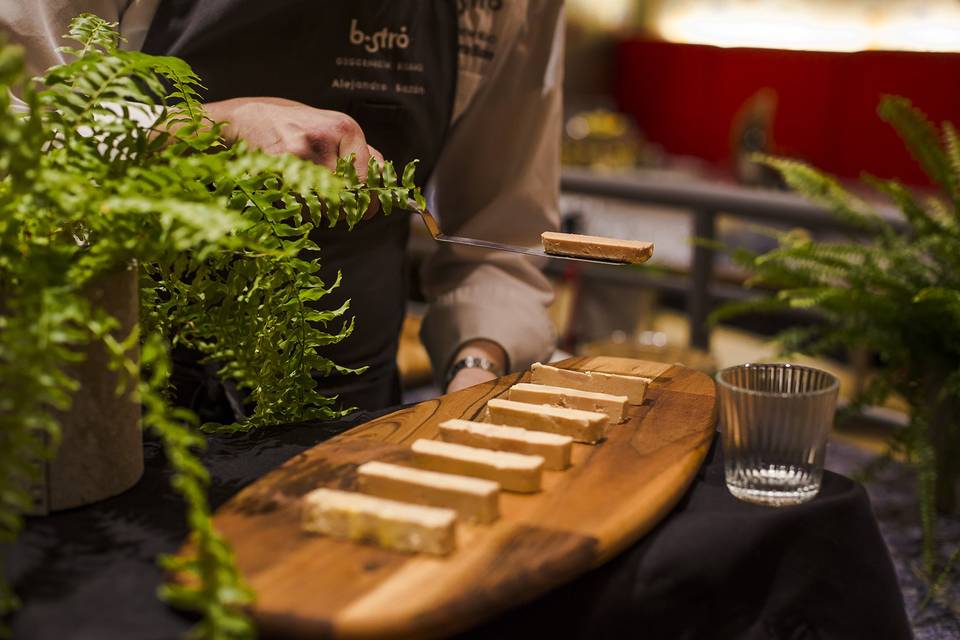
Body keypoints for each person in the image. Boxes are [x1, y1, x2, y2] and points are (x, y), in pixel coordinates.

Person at [1, 0, 564, 411]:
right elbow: (17, 144)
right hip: (102, 420)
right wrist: (206, 130)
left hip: (346, 420)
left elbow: (501, 240)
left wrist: (477, 366)